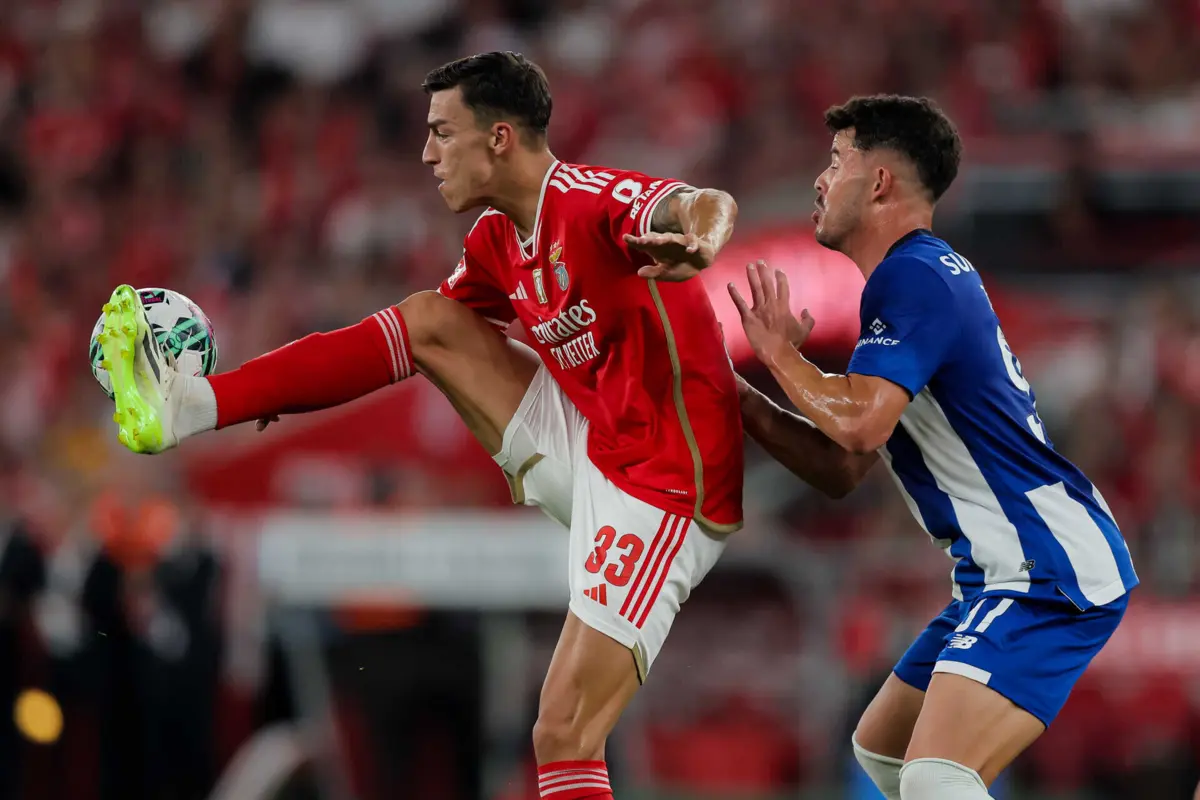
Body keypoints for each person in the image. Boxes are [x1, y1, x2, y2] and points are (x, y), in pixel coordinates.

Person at [95, 51, 743, 800]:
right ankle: (192, 407)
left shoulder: (589, 200)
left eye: (442, 132)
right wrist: (251, 394)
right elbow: (395, 347)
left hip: (668, 485)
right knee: (431, 319)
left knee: (562, 731)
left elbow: (701, 202)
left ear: (499, 138)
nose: (426, 153)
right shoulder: (498, 244)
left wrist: (702, 237)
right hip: (594, 444)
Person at [729, 95, 1137, 800]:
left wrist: (780, 359)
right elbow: (843, 469)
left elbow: (856, 426)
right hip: (999, 569)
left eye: (837, 161)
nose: (820, 181)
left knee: (934, 775)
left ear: (880, 182)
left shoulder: (911, 274)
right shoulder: (910, 283)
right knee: (882, 752)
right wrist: (737, 398)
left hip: (1044, 565)